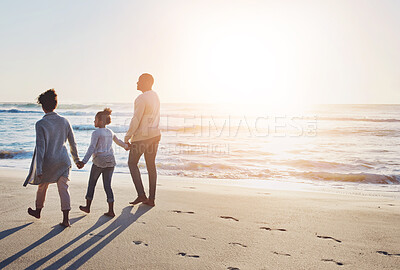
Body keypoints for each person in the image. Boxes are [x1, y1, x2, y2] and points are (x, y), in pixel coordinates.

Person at [26, 89, 80, 227]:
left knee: (42, 187)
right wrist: (76, 159)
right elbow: (72, 142)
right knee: (63, 188)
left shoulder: (40, 124)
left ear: (43, 106)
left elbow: (41, 147)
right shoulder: (64, 121)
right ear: (56, 104)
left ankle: (38, 211)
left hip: (48, 162)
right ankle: (66, 219)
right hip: (63, 161)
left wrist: (38, 169)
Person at [77, 108, 129, 217]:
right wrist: (126, 146)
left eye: (95, 120)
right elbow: (118, 141)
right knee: (107, 185)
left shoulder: (96, 133)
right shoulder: (110, 132)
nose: (94, 122)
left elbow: (91, 148)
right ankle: (111, 210)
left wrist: (83, 162)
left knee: (92, 183)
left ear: (100, 121)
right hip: (110, 161)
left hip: (99, 161)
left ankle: (87, 207)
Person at [125, 73, 161, 207]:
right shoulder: (155, 96)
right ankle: (151, 199)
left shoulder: (141, 98)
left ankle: (141, 194)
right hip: (155, 135)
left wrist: (127, 137)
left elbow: (136, 119)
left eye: (139, 81)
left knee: (132, 163)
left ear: (146, 82)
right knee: (151, 165)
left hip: (142, 137)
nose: (137, 83)